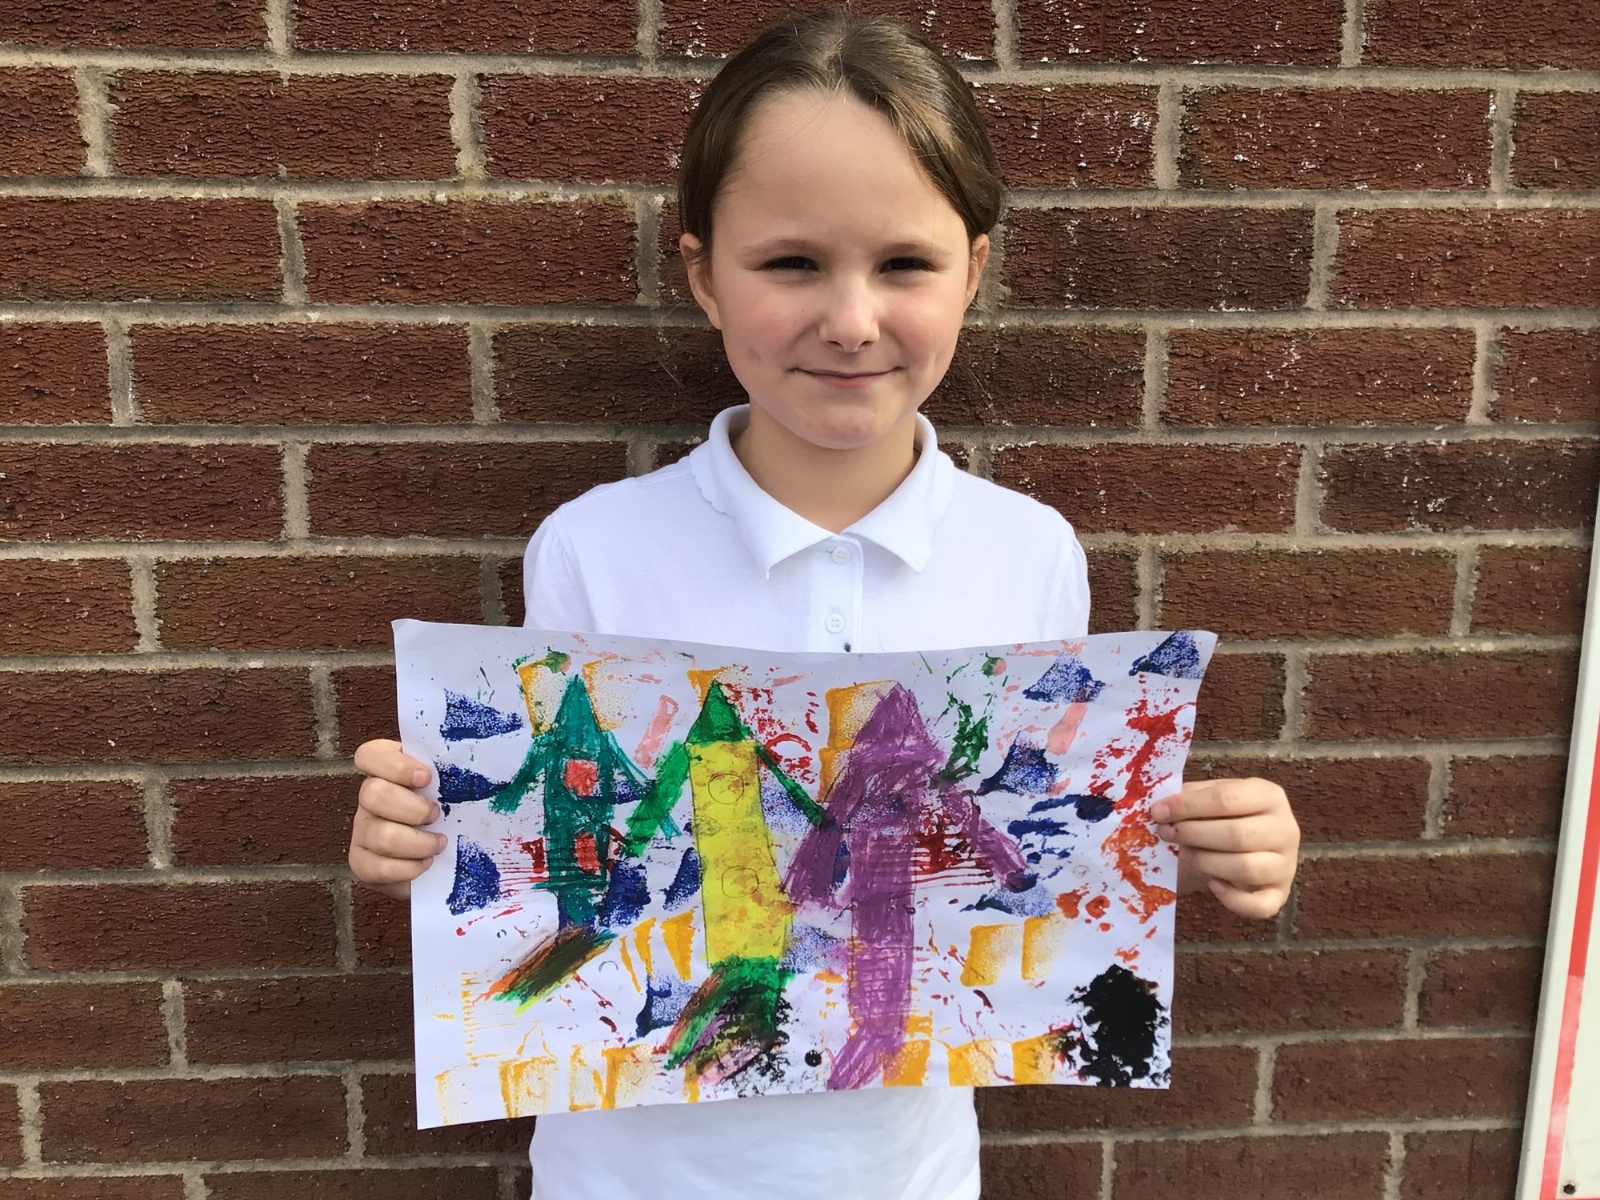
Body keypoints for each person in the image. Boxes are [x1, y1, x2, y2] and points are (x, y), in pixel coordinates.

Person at [348, 13, 1300, 1199]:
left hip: (910, 1175)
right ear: (703, 274)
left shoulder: (1030, 553)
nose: (850, 320)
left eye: (903, 264)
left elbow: (1034, 861)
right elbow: (566, 870)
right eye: (791, 263)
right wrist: (429, 843)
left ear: (973, 272)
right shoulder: (594, 549)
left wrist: (1189, 852)